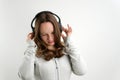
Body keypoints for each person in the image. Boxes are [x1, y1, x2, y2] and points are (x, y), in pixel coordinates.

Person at [18, 11, 87, 80]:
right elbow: (25, 77)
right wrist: (31, 46)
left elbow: (81, 71)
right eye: (44, 34)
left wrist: (69, 42)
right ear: (37, 34)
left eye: (53, 32)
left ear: (58, 30)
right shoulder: (33, 54)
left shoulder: (67, 50)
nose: (50, 38)